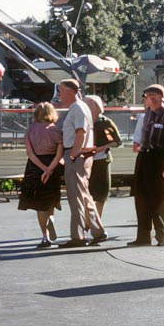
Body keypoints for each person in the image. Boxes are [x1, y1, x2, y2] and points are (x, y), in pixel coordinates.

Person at [129, 84, 164, 247]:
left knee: (158, 199)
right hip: (145, 157)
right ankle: (143, 236)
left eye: (149, 96)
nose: (147, 100)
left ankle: (160, 235)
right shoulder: (147, 114)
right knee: (141, 197)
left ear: (158, 97)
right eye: (146, 97)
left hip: (160, 158)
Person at [57, 79, 104, 248]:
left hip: (76, 155)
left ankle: (78, 236)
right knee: (84, 196)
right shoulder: (81, 107)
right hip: (80, 155)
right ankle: (98, 231)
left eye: (61, 90)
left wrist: (72, 155)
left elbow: (80, 132)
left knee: (76, 197)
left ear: (70, 91)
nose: (59, 94)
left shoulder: (77, 108)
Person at [18, 101, 64, 249]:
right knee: (50, 199)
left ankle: (45, 237)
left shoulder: (30, 130)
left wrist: (43, 169)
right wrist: (49, 169)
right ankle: (51, 218)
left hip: (35, 167)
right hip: (53, 164)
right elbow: (59, 154)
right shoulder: (55, 130)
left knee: (39, 204)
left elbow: (30, 154)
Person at [85, 95, 121, 224]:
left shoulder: (106, 122)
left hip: (102, 161)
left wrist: (100, 148)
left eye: (88, 104)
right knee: (86, 195)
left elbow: (117, 141)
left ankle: (97, 223)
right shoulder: (82, 121)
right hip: (84, 162)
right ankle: (87, 224)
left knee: (100, 195)